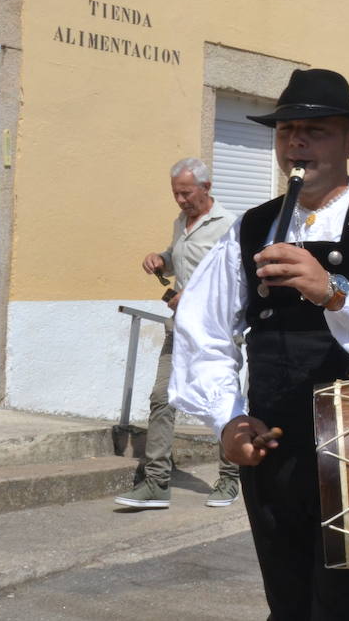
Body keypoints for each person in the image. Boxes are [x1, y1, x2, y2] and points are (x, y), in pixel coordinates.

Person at [169, 68, 349, 620]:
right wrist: (227, 418)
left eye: (315, 130)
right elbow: (204, 331)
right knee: (287, 602)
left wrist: (335, 291)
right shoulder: (252, 227)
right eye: (287, 129)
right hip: (273, 446)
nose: (297, 141)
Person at [116, 158, 240, 511]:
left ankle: (229, 478)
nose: (181, 200)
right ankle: (156, 482)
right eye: (176, 194)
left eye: (186, 193)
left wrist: (197, 296)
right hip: (181, 327)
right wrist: (161, 258)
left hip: (216, 330)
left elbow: (234, 278)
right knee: (161, 397)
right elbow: (179, 258)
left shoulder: (228, 226)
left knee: (221, 401)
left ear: (207, 187)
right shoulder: (181, 222)